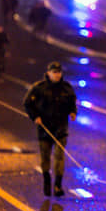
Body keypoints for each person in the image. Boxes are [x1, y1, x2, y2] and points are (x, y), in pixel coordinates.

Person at [24, 62, 77, 197]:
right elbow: (27, 103)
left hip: (61, 129)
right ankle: (47, 179)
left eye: (58, 72)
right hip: (44, 129)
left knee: (59, 157)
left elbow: (72, 103)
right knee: (45, 158)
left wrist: (73, 112)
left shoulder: (67, 88)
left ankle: (58, 185)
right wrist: (35, 116)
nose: (57, 75)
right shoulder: (39, 88)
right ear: (48, 73)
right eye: (54, 72)